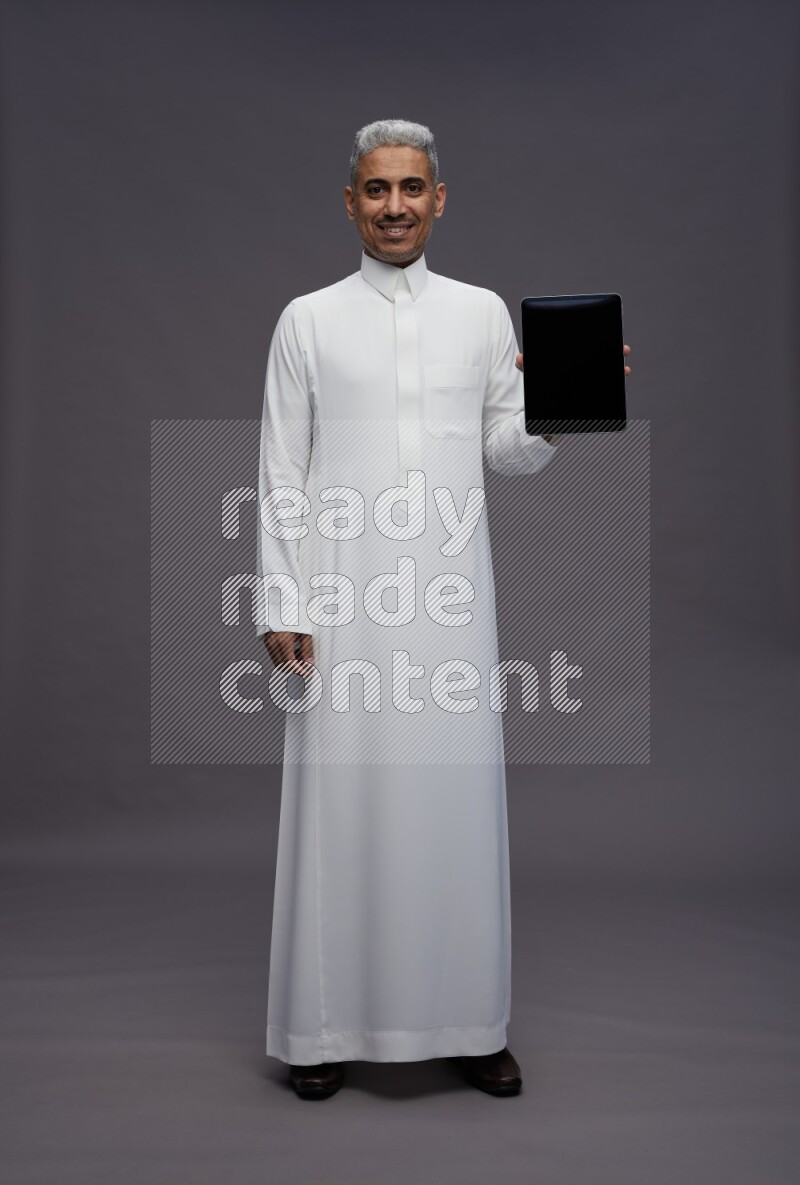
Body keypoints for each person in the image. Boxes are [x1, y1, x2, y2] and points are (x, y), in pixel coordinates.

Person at [256, 119, 632, 1100]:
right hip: (342, 601)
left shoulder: (478, 317)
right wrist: (281, 601)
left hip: (451, 601)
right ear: (349, 202)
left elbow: (506, 449)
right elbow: (280, 473)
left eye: (410, 189)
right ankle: (321, 1030)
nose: (393, 207)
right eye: (375, 190)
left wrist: (562, 404)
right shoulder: (306, 319)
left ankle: (469, 1023)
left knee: (454, 805)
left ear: (438, 199)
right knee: (342, 809)